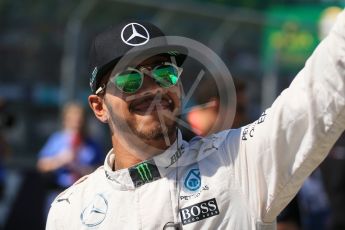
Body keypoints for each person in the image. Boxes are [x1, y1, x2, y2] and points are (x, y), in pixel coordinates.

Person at [46, 10, 345, 230]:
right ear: (99, 107)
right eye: (129, 79)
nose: (153, 88)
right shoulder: (70, 212)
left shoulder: (237, 164)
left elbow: (318, 94)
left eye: (164, 73)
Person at [37, 102, 103, 215]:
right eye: (72, 119)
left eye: (79, 120)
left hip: (84, 193)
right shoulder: (57, 140)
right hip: (59, 192)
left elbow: (101, 169)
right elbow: (42, 165)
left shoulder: (91, 144)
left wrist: (83, 169)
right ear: (65, 120)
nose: (76, 123)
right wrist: (60, 160)